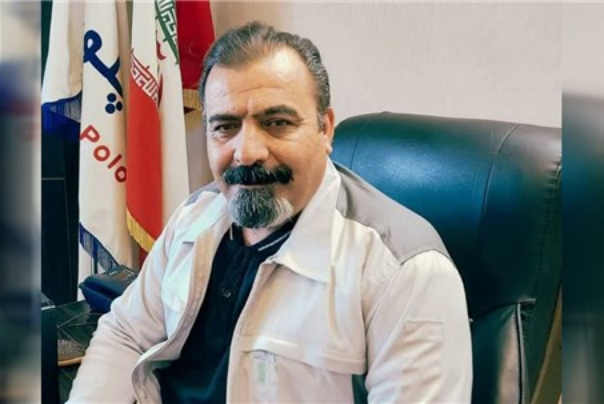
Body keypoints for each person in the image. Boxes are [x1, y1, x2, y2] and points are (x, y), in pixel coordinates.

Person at [68, 21, 472, 403]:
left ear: (325, 129)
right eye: (225, 127)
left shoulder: (405, 273)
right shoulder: (198, 214)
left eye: (276, 122)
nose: (247, 152)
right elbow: (125, 333)